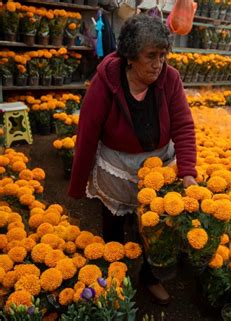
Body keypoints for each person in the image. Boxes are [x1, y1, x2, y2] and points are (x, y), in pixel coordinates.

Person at [68, 14, 197, 304]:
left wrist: (187, 171)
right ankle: (116, 277)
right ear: (129, 56)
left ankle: (149, 278)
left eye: (163, 55)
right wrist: (78, 185)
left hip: (158, 165)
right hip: (118, 165)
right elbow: (87, 135)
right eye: (151, 56)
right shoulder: (106, 83)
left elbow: (183, 125)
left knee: (159, 228)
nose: (158, 63)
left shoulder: (170, 79)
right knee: (114, 225)